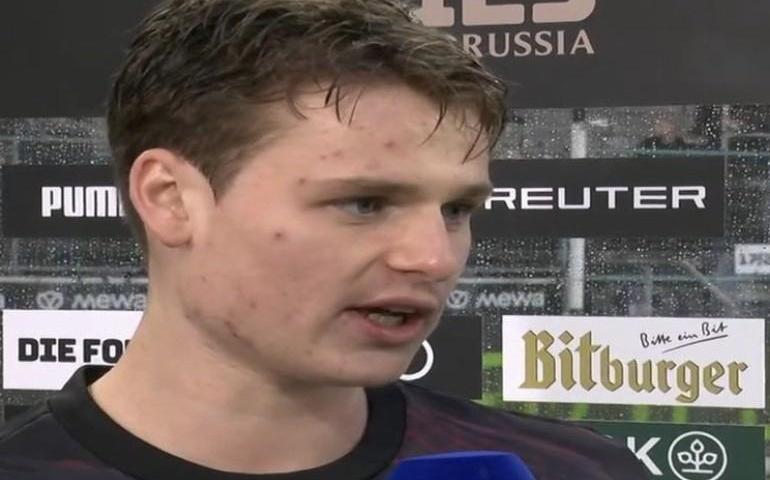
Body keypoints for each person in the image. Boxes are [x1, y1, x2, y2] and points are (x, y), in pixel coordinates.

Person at [0, 1, 648, 479]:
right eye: (364, 203)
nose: (432, 258)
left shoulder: (574, 471)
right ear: (171, 199)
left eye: (456, 209)